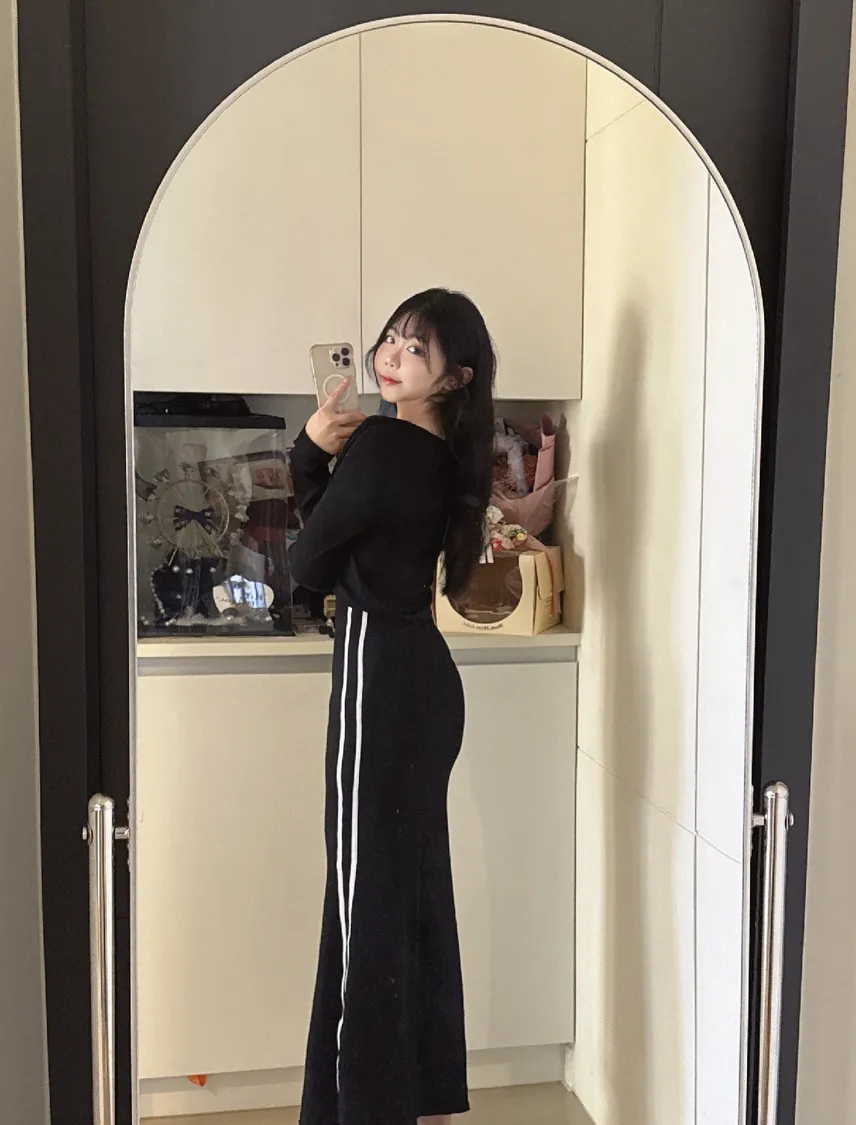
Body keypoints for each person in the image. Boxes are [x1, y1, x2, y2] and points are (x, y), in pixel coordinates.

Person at [290, 288, 496, 1125]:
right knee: (410, 896)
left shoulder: (380, 443)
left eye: (416, 348)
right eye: (392, 338)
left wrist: (310, 451)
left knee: (363, 908)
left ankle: (365, 1109)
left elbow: (308, 559)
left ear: (455, 376)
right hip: (423, 680)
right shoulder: (445, 460)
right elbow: (345, 540)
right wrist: (322, 465)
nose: (391, 355)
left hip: (379, 679)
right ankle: (423, 1098)